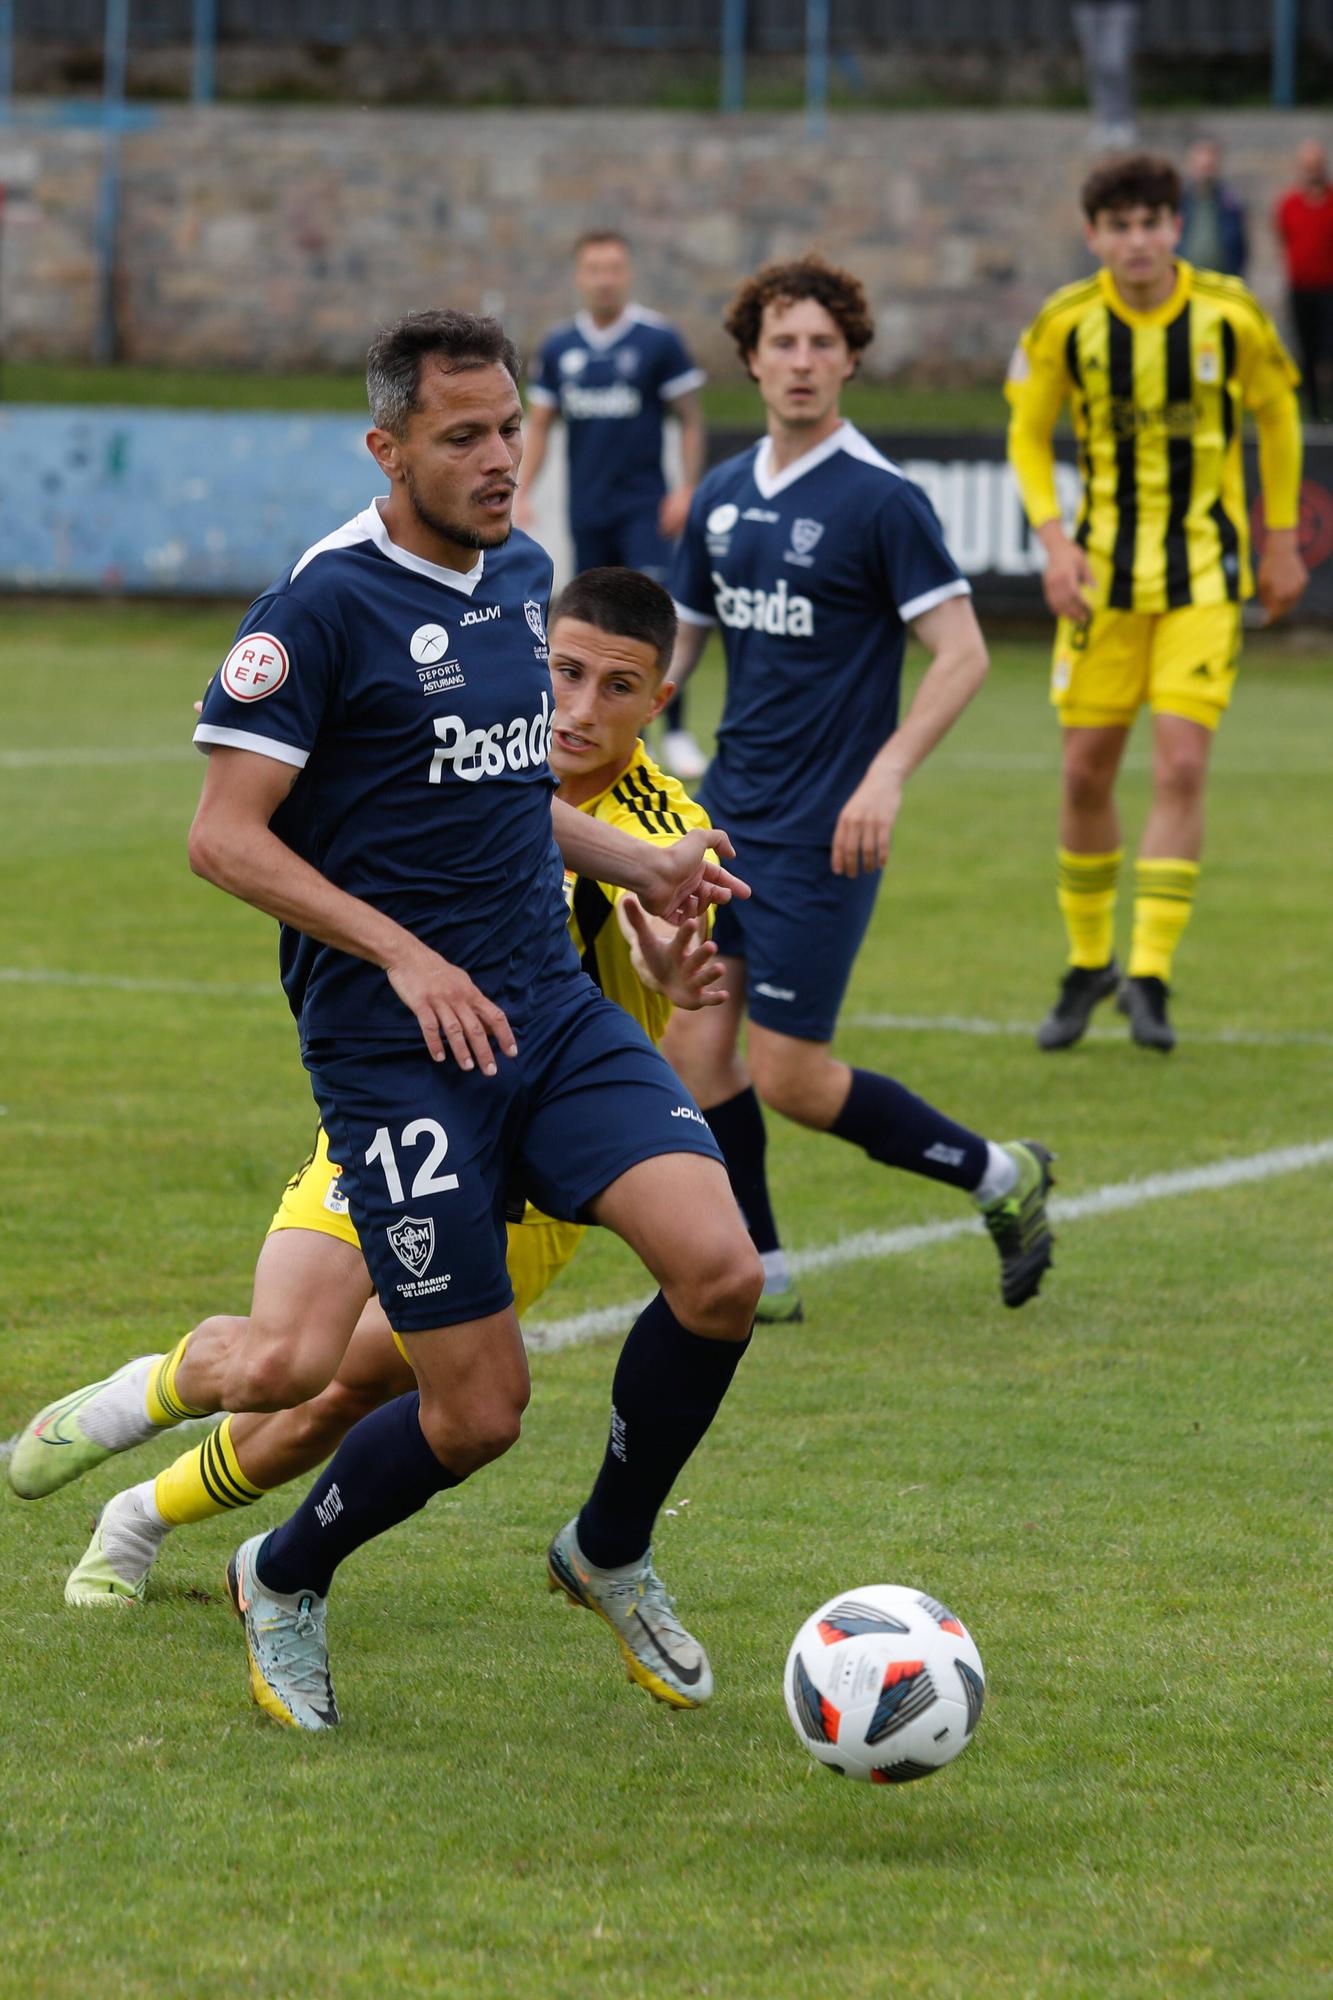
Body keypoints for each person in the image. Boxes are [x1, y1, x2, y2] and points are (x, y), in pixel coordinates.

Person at [12, 311, 764, 1731]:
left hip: (543, 1014)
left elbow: (491, 791)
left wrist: (643, 863)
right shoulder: (320, 606)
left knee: (720, 1271)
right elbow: (223, 838)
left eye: (509, 428)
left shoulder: (526, 576)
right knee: (468, 1410)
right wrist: (401, 955)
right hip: (395, 1061)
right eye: (463, 435)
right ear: (389, 447)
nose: (499, 459)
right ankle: (282, 1574)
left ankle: (606, 1548)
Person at [38, 572, 729, 1613]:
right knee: (289, 1360)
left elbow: (660, 927)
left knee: (364, 1383)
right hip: (404, 1100)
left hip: (550, 1163)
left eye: (615, 687)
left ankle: (146, 1513)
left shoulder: (663, 822)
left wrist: (671, 969)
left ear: (657, 702)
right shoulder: (444, 750)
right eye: (565, 675)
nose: (581, 709)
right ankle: (152, 1396)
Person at [659, 254, 1055, 1326]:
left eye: (821, 344)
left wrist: (884, 774)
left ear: (850, 359)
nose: (801, 362)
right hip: (728, 821)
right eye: (782, 342)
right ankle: (762, 1270)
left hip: (826, 830)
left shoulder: (882, 500)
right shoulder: (726, 496)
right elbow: (681, 646)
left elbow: (963, 651)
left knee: (788, 1075)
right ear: (749, 357)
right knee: (693, 1046)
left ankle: (997, 1174)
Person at [1007, 153, 1307, 1054]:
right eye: (1118, 225)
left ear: (1176, 227)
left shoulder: (1229, 313)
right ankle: (1087, 959)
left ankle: (1149, 972)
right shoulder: (1065, 324)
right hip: (1099, 583)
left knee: (1179, 767)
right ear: (1093, 234)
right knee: (1083, 774)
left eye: (1151, 222)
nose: (1136, 240)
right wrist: (1055, 541)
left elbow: (1279, 415)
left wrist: (1282, 537)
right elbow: (1026, 431)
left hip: (1202, 584)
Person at [516, 230, 709, 780]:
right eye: (595, 269)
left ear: (627, 274)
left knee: (655, 619)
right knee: (594, 627)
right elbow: (544, 426)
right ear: (580, 276)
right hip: (589, 510)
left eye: (614, 268)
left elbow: (691, 419)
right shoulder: (559, 349)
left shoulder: (657, 341)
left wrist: (687, 489)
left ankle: (673, 733)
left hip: (644, 509)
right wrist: (522, 491)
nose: (605, 278)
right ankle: (592, 732)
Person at [1275, 140, 1333, 425]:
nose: (1312, 171)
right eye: (1307, 166)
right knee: (1307, 349)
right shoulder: (1290, 204)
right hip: (1300, 289)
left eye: (1316, 165)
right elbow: (1285, 237)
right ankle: (1312, 411)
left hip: (1329, 289)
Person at [1073, 0, 1139, 151]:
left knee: (1116, 62)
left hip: (1122, 5)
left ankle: (1124, 121)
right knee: (1095, 65)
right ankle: (1104, 120)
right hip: (1087, 6)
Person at [1179, 138, 1248, 279]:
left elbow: (1240, 248)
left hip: (1220, 281)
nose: (1205, 173)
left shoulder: (1230, 204)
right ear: (1191, 165)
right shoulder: (1179, 203)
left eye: (1209, 167)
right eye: (1202, 167)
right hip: (1186, 281)